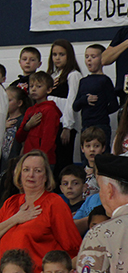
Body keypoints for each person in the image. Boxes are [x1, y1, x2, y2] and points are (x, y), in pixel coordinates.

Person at [0, 150, 81, 273]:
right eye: (26, 170)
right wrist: (16, 219)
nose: (31, 175)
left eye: (37, 171)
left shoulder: (54, 203)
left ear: (45, 177)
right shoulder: (10, 203)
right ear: (19, 173)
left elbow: (74, 249)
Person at [46, 40, 83, 175]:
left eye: (61, 54)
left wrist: (68, 126)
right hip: (51, 124)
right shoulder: (53, 76)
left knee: (63, 160)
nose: (57, 58)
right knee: (52, 161)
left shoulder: (73, 75)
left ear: (69, 56)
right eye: (54, 54)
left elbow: (71, 101)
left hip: (64, 125)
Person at [73, 44, 118, 150]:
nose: (89, 60)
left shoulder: (105, 80)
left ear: (102, 59)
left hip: (101, 126)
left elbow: (114, 104)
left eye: (93, 57)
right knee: (86, 156)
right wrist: (84, 100)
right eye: (87, 57)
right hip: (86, 126)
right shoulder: (83, 81)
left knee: (102, 155)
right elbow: (75, 106)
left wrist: (101, 111)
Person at [16, 72, 61, 164]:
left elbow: (48, 138)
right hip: (28, 157)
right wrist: (27, 126)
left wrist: (41, 158)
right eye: (31, 86)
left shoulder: (50, 110)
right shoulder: (29, 110)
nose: (33, 89)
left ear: (48, 90)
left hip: (44, 159)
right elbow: (19, 137)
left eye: (38, 86)